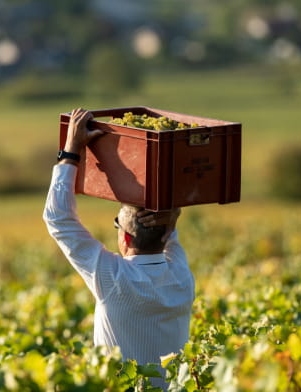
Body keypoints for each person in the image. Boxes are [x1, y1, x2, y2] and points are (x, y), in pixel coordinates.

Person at [43, 108, 195, 389]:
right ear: (169, 232)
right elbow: (169, 229)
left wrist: (70, 151)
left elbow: (57, 219)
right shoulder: (182, 277)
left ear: (124, 239)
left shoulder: (112, 278)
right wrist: (170, 209)